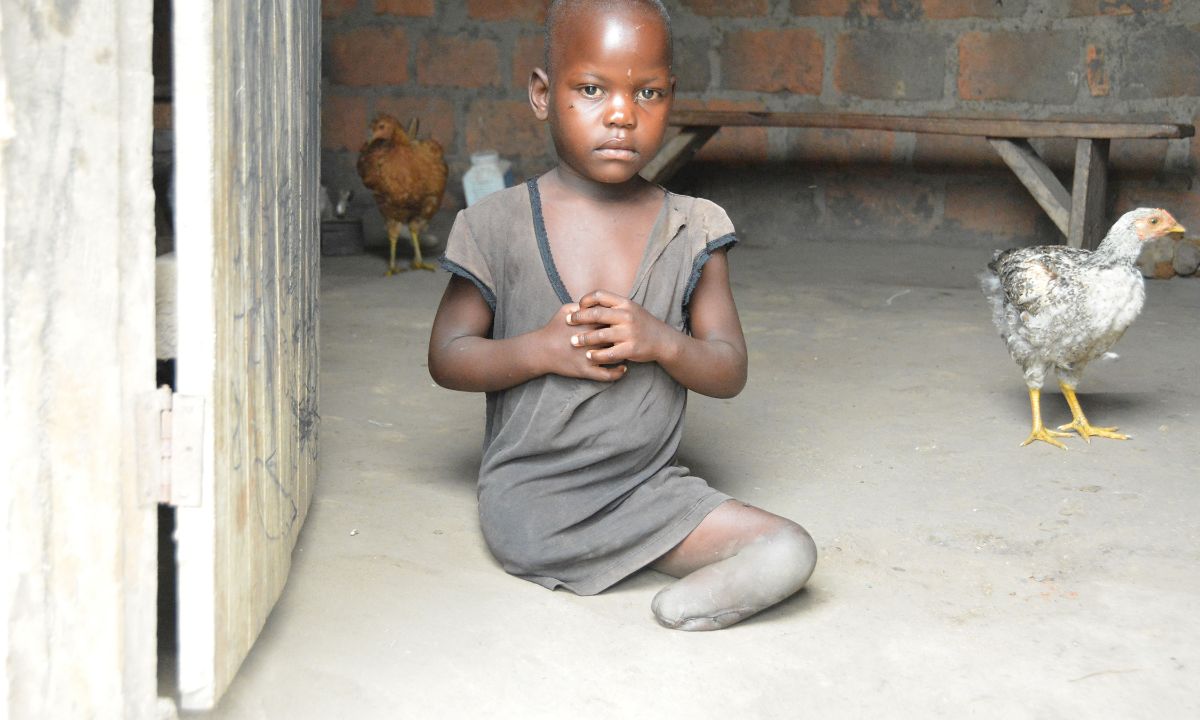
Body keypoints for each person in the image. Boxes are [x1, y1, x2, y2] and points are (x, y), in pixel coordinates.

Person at [427, 0, 816, 631]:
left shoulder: (694, 228)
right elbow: (447, 355)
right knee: (530, 534)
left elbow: (728, 369)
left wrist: (661, 340)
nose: (621, 114)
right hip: (536, 499)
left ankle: (687, 601)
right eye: (590, 88)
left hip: (651, 489)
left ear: (671, 98)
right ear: (542, 94)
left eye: (648, 92)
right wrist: (540, 350)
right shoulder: (493, 224)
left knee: (791, 548)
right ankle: (647, 565)